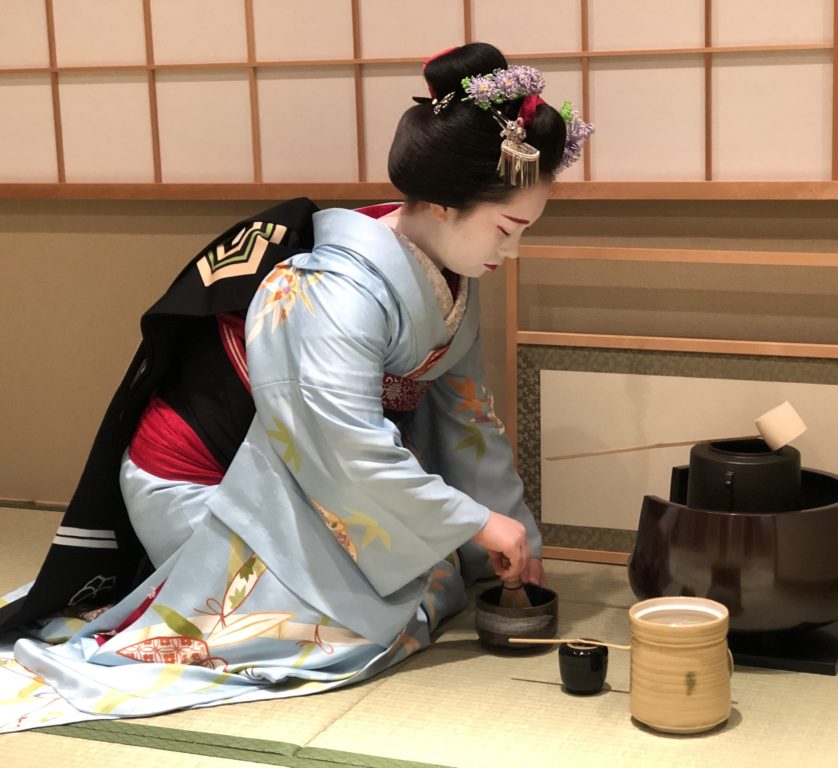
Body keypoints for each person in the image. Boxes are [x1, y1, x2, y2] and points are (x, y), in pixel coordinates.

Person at [0, 42, 593, 731]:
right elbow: (341, 445)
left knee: (435, 580)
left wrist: (511, 535)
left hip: (296, 472)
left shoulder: (453, 276)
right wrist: (471, 522)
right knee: (351, 628)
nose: (509, 252)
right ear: (440, 203)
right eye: (507, 229)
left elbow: (467, 422)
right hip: (206, 482)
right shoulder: (333, 289)